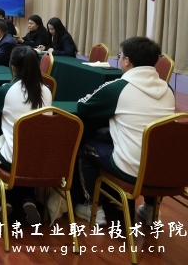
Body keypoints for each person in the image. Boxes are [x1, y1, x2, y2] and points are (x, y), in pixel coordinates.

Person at [73, 37, 176, 227]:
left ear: (127, 61)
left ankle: (94, 208)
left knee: (86, 146)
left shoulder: (119, 88)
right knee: (153, 148)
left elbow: (83, 107)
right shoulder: (168, 89)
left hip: (130, 169)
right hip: (163, 170)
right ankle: (151, 209)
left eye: (120, 56)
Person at [0, 45, 52, 224]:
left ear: (13, 67)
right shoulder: (47, 91)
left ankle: (2, 200)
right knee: (27, 154)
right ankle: (28, 199)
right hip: (44, 158)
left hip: (14, 158)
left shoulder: (8, 90)